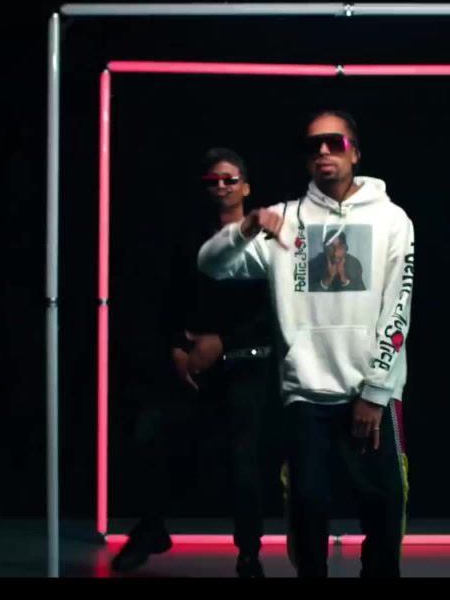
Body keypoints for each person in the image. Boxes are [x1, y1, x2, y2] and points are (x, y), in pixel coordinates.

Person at [197, 111, 414, 578]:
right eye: (314, 145)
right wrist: (246, 228)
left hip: (369, 394)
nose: (323, 152)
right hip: (306, 396)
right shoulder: (287, 219)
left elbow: (398, 308)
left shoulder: (392, 219)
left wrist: (376, 392)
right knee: (307, 511)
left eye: (335, 142)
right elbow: (211, 265)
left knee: (383, 511)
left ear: (355, 152)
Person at [111, 148, 279, 578]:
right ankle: (151, 529)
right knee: (152, 435)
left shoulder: (268, 238)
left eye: (229, 179)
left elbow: (275, 309)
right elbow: (169, 298)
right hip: (194, 365)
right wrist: (177, 350)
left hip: (247, 364)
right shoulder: (189, 238)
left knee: (243, 462)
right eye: (212, 180)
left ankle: (249, 555)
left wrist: (223, 342)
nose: (221, 186)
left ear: (245, 186)